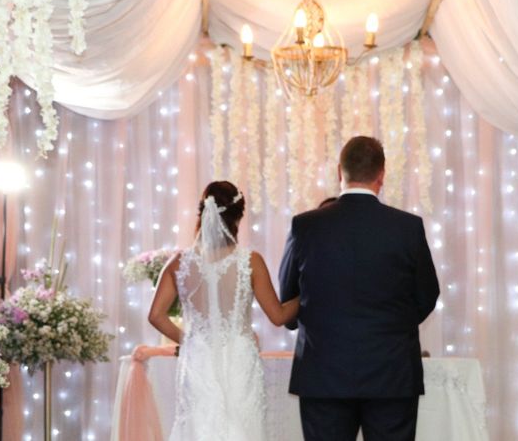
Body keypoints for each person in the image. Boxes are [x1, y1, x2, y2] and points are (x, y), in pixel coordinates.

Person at [279, 136, 440, 441]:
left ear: (340, 172)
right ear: (382, 174)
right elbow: (427, 294)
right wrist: (392, 328)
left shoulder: (305, 226)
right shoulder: (407, 227)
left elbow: (288, 297)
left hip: (323, 372)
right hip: (391, 372)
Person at [147, 181, 299, 441]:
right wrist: (308, 292)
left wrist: (192, 339)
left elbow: (156, 316)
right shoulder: (250, 261)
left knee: (198, 428)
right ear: (238, 217)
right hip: (239, 356)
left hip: (199, 358)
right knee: (241, 429)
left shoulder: (178, 263)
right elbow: (278, 316)